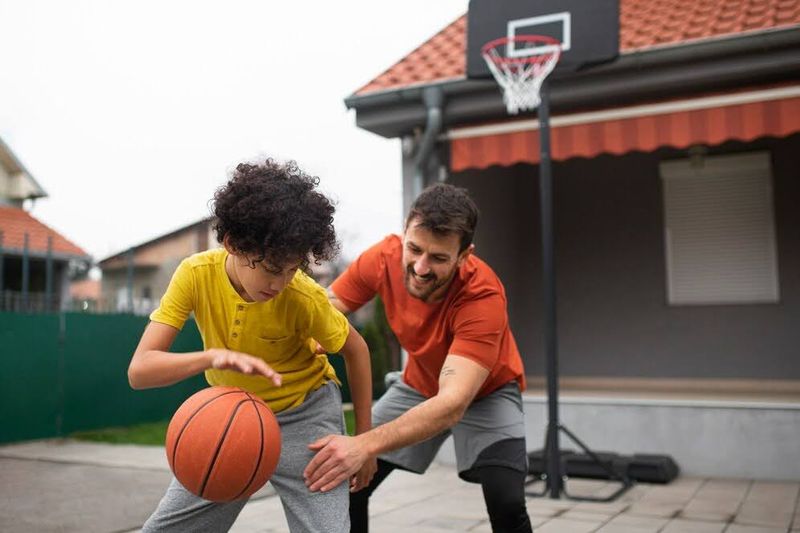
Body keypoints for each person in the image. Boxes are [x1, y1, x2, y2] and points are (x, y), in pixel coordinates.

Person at [128, 158, 376, 533]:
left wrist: (365, 443)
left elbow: (356, 350)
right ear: (232, 243)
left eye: (292, 269)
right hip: (231, 419)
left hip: (306, 417)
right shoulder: (195, 276)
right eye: (272, 268)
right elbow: (140, 371)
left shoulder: (303, 296)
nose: (281, 282)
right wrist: (211, 357)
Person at [304, 183, 533, 532]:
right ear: (404, 233)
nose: (421, 267)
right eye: (414, 249)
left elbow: (453, 402)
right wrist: (304, 333)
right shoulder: (382, 258)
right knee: (345, 481)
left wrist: (363, 444)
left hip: (487, 393)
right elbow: (327, 307)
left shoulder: (482, 296)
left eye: (439, 258)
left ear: (464, 255)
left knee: (507, 502)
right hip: (418, 384)